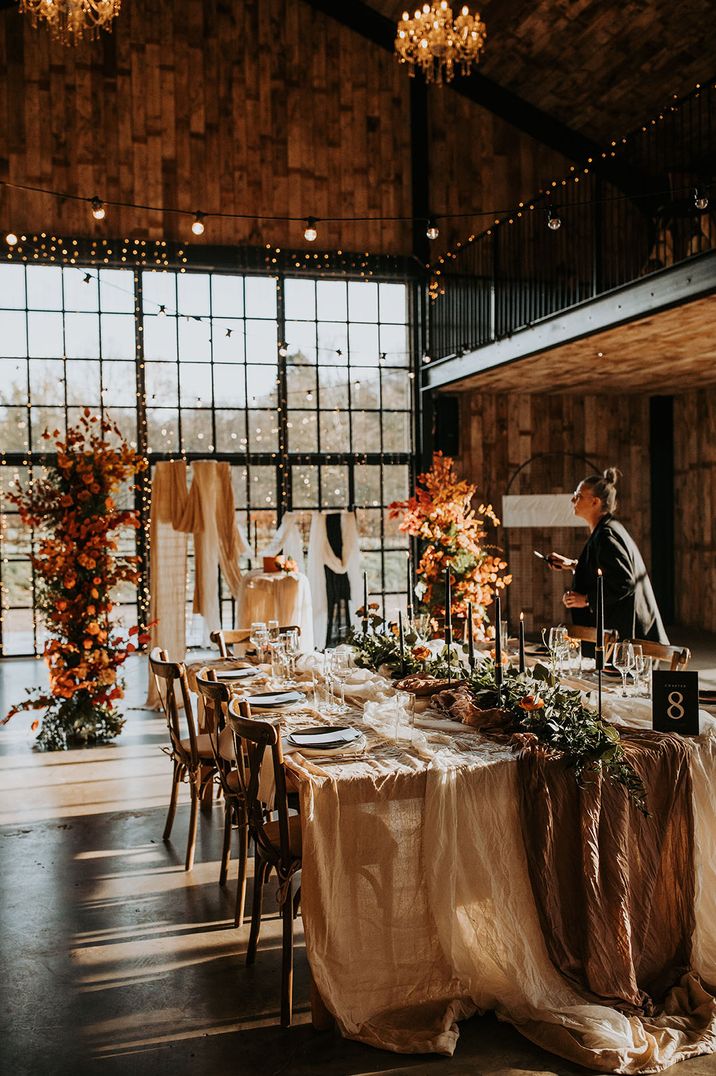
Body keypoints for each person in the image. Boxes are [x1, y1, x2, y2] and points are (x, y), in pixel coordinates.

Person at [548, 467, 669, 644]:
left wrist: (587, 599)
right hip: (624, 632)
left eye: (579, 495)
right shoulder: (606, 529)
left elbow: (624, 582)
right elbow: (608, 568)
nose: (573, 499)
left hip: (631, 638)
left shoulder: (606, 535)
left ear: (595, 502)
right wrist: (573, 565)